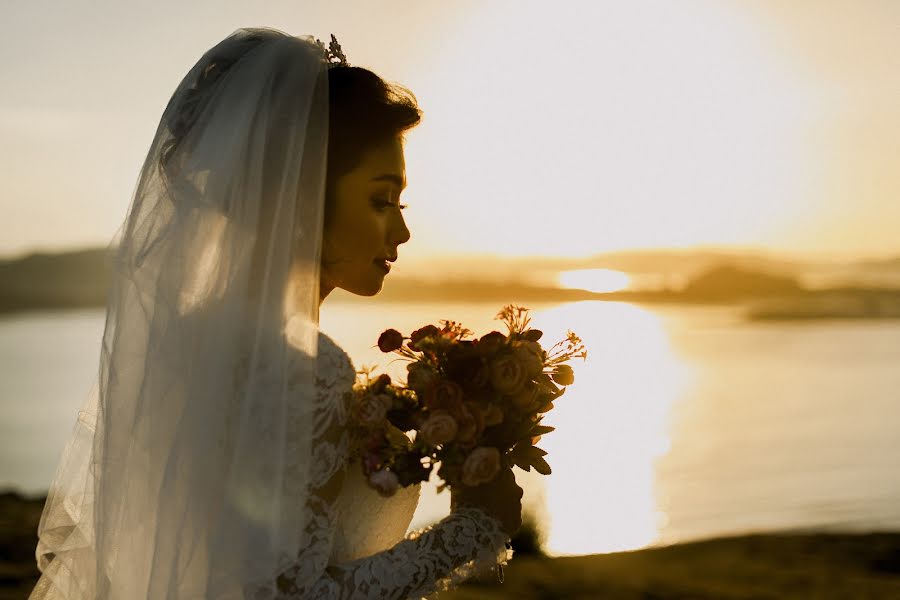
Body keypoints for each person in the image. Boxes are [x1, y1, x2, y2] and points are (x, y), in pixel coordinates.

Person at [29, 28, 522, 599]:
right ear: (304, 194)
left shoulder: (198, 340)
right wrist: (472, 530)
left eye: (401, 203)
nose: (403, 229)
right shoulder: (300, 368)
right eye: (381, 200)